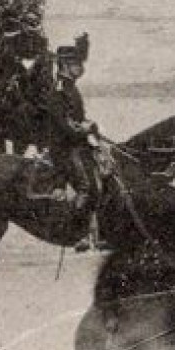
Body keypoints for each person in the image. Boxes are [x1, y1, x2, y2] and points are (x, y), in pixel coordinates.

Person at [40, 44, 105, 249]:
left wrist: (89, 127)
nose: (81, 68)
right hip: (64, 147)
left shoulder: (70, 86)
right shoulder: (59, 89)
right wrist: (85, 129)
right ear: (66, 65)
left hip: (76, 144)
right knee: (87, 187)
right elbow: (65, 125)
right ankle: (78, 233)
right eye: (77, 64)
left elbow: (77, 118)